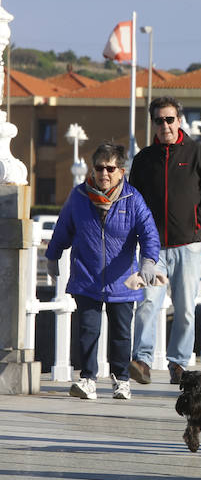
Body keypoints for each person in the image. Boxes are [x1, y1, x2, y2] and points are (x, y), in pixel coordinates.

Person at [45, 142, 159, 401]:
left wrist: (149, 261)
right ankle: (88, 379)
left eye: (110, 168)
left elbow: (149, 233)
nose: (104, 174)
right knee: (88, 330)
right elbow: (63, 229)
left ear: (121, 171)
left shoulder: (133, 199)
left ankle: (121, 380)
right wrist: (52, 255)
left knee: (121, 334)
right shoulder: (79, 197)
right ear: (92, 170)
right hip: (87, 277)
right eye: (99, 168)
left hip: (123, 281)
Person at [128, 96, 201, 385]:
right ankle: (141, 361)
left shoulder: (195, 154)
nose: (165, 125)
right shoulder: (144, 159)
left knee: (184, 309)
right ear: (153, 123)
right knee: (147, 304)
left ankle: (178, 364)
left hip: (188, 246)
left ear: (179, 120)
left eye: (170, 119)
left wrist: (196, 220)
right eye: (159, 120)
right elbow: (132, 200)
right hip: (153, 249)